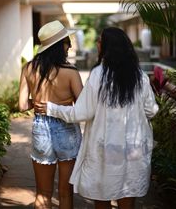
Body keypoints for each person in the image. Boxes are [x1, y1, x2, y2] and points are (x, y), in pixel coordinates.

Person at [35, 27, 159, 209]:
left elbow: (81, 113)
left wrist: (52, 109)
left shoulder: (98, 75)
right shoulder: (139, 76)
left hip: (104, 151)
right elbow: (152, 110)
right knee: (128, 194)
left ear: (108, 47)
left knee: (101, 195)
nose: (97, 43)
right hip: (133, 150)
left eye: (100, 41)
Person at [18, 20, 83, 209]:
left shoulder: (28, 68)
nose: (69, 47)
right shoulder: (70, 72)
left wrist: (37, 104)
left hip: (41, 129)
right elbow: (82, 107)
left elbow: (22, 106)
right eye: (67, 43)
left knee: (43, 193)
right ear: (60, 46)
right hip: (68, 130)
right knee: (65, 192)